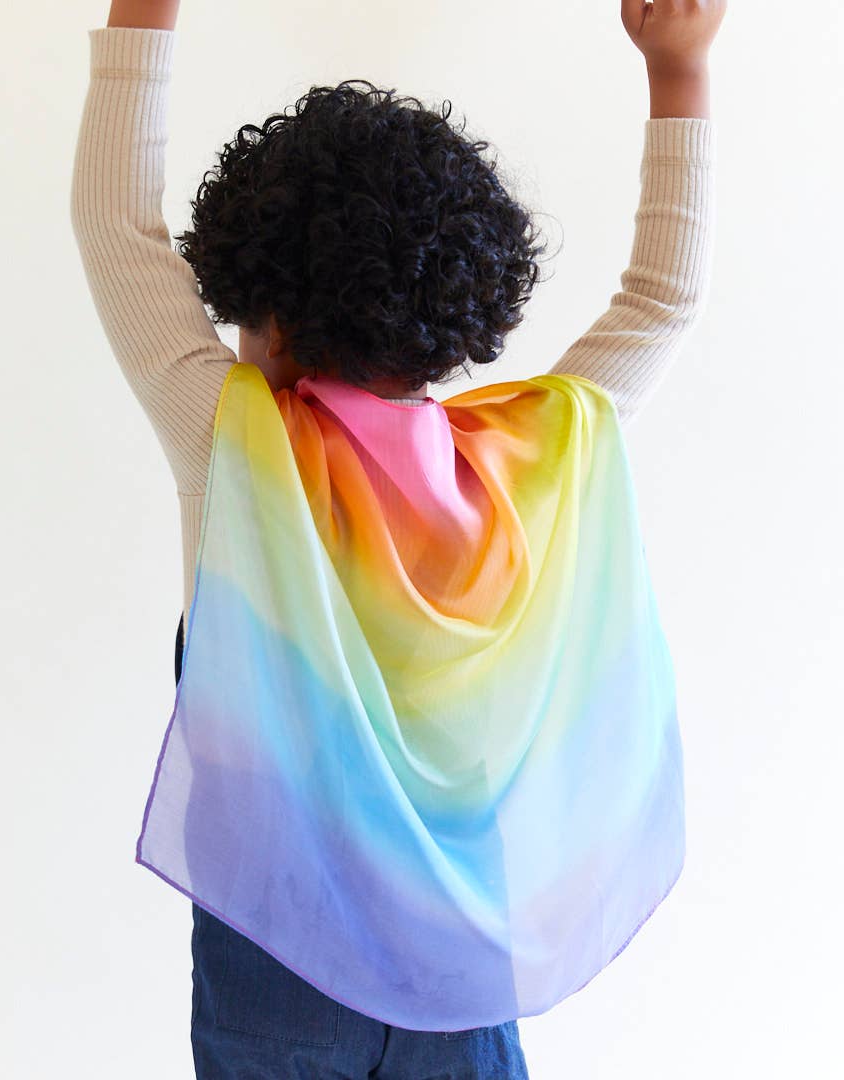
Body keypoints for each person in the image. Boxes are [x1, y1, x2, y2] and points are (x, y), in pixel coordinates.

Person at [70, 2, 725, 1075]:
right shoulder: (521, 468)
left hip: (274, 976)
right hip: (457, 983)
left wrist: (147, 11)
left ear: (266, 311)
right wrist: (679, 69)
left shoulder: (233, 446)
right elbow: (664, 302)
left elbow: (114, 227)